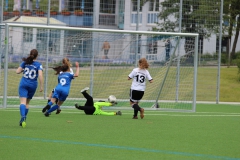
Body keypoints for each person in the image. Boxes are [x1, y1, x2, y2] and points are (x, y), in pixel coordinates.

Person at [16, 49, 43, 128]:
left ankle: (23, 117)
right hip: (33, 85)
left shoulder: (25, 62)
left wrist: (23, 70)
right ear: (37, 56)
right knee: (27, 103)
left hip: (23, 84)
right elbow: (40, 75)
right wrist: (41, 86)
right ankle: (24, 118)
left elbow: (17, 71)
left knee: (22, 102)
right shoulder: (38, 64)